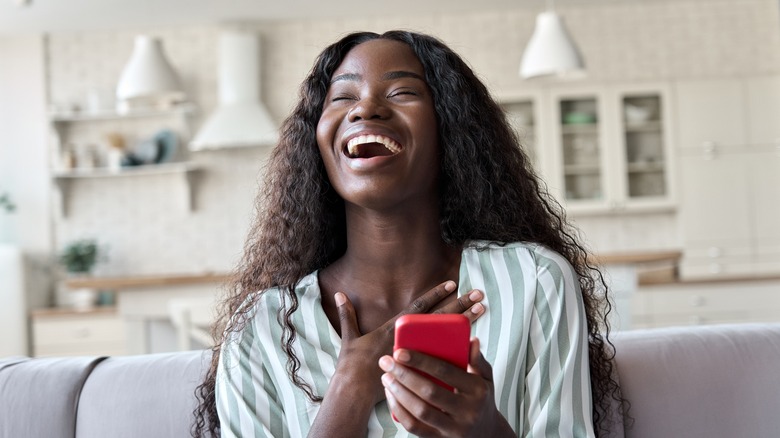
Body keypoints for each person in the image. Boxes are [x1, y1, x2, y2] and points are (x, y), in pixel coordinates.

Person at [193, 30, 624, 438]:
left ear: (450, 130)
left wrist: (489, 431)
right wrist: (348, 391)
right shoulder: (262, 328)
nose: (365, 109)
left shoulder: (534, 280)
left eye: (402, 92)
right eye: (343, 97)